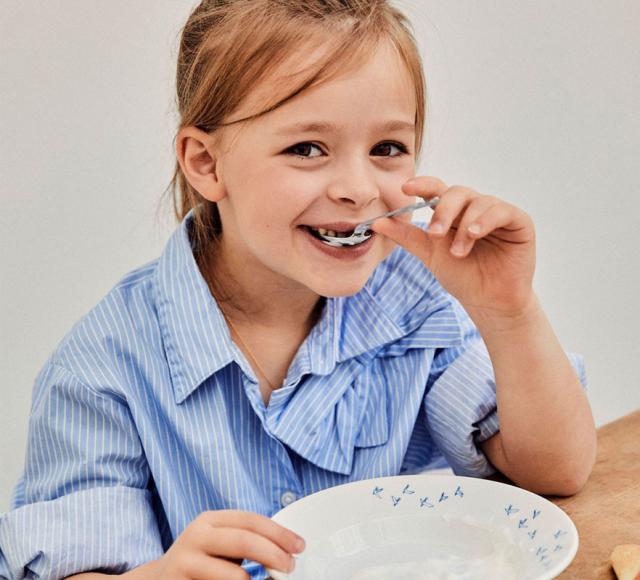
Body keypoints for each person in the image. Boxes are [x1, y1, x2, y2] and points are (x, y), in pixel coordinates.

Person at [0, 1, 597, 579]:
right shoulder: (104, 367)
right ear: (206, 164)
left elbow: (558, 471)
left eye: (386, 148)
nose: (359, 188)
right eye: (307, 149)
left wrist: (509, 312)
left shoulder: (414, 300)